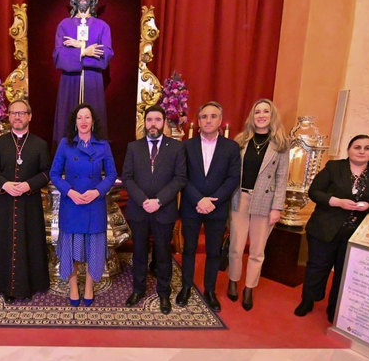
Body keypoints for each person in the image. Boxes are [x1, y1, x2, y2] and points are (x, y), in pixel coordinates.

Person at [295, 134, 369, 322]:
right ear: (349, 149)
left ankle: (334, 307)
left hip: (358, 233)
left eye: (367, 148)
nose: (362, 151)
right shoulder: (334, 167)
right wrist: (337, 202)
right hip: (325, 228)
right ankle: (308, 300)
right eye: (357, 147)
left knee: (345, 271)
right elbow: (315, 192)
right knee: (317, 267)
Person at [50, 103, 117, 307]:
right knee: (71, 249)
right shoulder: (65, 144)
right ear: (75, 122)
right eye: (79, 117)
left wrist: (97, 191)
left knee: (93, 250)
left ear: (93, 121)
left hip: (94, 205)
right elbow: (54, 173)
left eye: (87, 117)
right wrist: (70, 192)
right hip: (72, 204)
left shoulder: (103, 145)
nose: (83, 121)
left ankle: (89, 286)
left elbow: (112, 175)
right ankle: (73, 286)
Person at [123, 105, 187, 315]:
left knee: (163, 253)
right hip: (139, 209)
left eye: (157, 120)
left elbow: (180, 178)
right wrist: (143, 200)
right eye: (149, 119)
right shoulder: (134, 147)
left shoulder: (176, 147)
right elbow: (127, 178)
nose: (153, 124)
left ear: (164, 123)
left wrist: (158, 201)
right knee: (139, 252)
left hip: (164, 210)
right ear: (144, 123)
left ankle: (164, 293)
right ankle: (138, 289)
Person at [178, 102, 241, 312]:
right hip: (191, 206)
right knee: (189, 249)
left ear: (220, 120)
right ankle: (186, 287)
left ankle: (210, 290)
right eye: (204, 116)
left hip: (217, 207)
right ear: (199, 121)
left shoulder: (231, 147)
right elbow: (182, 176)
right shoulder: (186, 146)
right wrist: (199, 199)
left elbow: (233, 178)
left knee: (214, 251)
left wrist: (213, 200)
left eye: (213, 116)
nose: (208, 120)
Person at [227, 99, 289, 311]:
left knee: (257, 250)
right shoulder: (241, 141)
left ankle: (249, 287)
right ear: (252, 117)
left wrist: (277, 207)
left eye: (265, 112)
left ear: (272, 116)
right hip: (240, 198)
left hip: (265, 201)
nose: (261, 115)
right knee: (236, 245)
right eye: (257, 112)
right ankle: (233, 280)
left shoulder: (280, 144)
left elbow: (281, 178)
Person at [0, 99, 51, 303]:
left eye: (21, 113)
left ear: (29, 116)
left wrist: (28, 185)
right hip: (5, 202)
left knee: (30, 241)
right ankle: (6, 286)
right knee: (5, 241)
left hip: (29, 203)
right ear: (9, 116)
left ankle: (31, 284)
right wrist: (5, 184)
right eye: (13, 113)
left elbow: (46, 172)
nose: (17, 117)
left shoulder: (40, 144)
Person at [52, 0, 113, 144]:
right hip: (69, 81)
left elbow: (105, 55)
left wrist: (77, 48)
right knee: (68, 122)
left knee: (94, 121)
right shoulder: (64, 25)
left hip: (93, 82)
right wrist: (85, 50)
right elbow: (59, 56)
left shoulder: (102, 27)